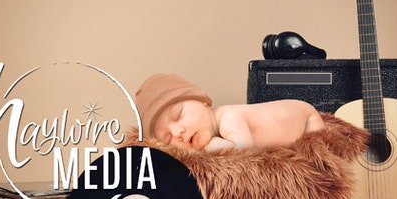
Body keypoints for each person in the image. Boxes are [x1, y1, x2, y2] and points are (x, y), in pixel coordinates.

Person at [135, 73, 325, 152]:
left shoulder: (230, 117)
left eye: (178, 115)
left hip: (306, 118)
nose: (178, 132)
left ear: (202, 101)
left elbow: (242, 151)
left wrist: (209, 145)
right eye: (167, 138)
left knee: (319, 153)